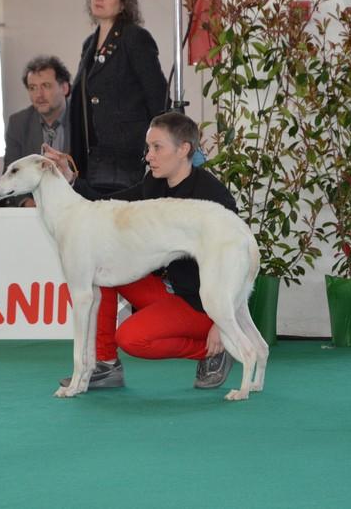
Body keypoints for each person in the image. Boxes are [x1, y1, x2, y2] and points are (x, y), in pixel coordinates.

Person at [48, 112, 235, 390]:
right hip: (167, 288)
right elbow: (105, 205)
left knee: (133, 339)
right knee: (99, 271)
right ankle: (105, 365)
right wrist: (71, 179)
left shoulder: (214, 197)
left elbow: (233, 266)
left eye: (157, 147)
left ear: (183, 149)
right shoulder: (154, 183)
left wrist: (221, 323)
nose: (149, 156)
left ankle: (216, 350)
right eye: (149, 148)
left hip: (202, 303)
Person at [70, 0, 168, 195]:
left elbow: (158, 97)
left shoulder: (134, 37)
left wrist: (160, 149)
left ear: (123, 3)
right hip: (93, 156)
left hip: (126, 157)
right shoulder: (89, 44)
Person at [5, 55, 72, 207]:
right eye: (32, 88)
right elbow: (10, 175)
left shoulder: (84, 119)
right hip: (34, 210)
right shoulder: (18, 123)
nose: (38, 95)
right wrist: (26, 202)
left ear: (64, 88)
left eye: (46, 86)